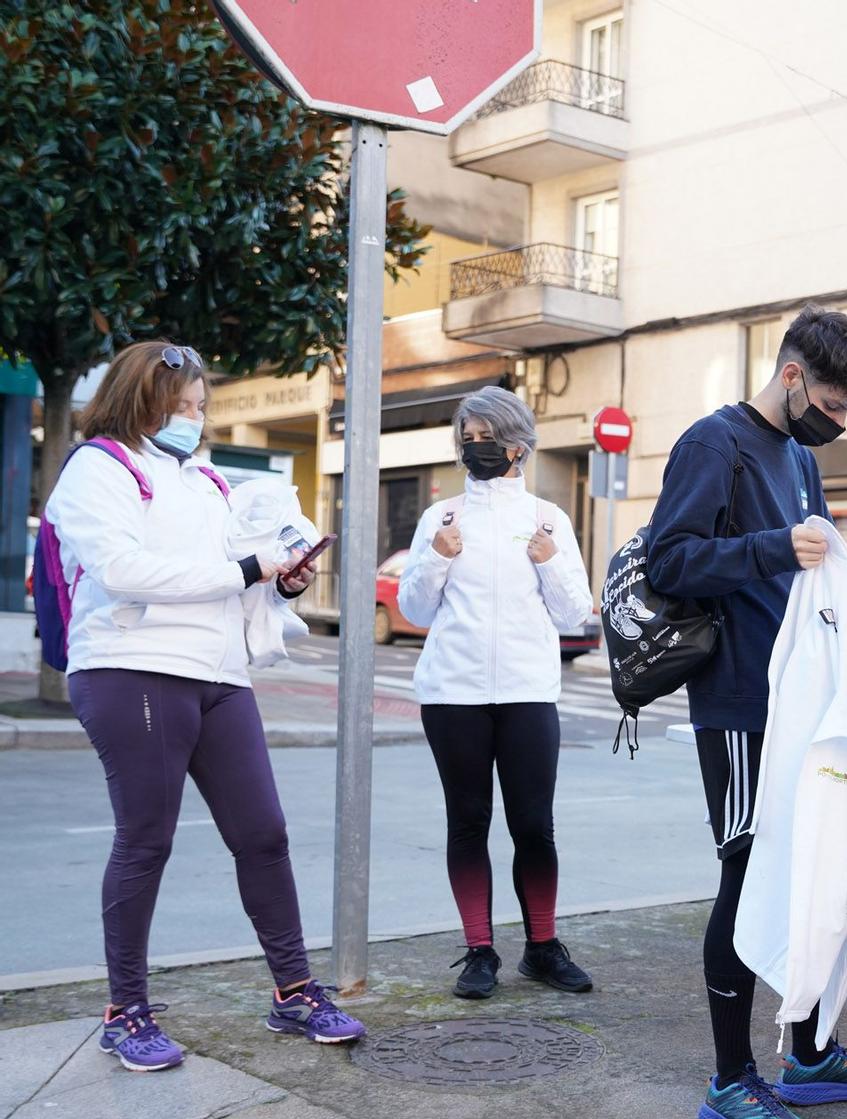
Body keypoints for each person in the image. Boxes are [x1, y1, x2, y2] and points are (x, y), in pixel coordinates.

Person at [645, 305, 847, 1119]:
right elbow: (671, 562)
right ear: (793, 375)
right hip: (739, 706)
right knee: (747, 875)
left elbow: (815, 587)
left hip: (806, 707)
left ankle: (807, 1051)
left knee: (813, 872)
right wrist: (775, 547)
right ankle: (732, 1081)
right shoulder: (715, 443)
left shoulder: (800, 460)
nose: (838, 422)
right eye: (834, 403)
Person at [43, 340, 363, 1071]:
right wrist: (246, 567)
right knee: (146, 839)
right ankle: (126, 1013)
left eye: (200, 407)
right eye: (181, 405)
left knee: (264, 835)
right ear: (140, 400)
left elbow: (231, 577)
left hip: (219, 672)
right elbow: (122, 570)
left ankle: (294, 992)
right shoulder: (99, 467)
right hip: (133, 666)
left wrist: (278, 583)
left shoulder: (207, 481)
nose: (194, 418)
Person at [399, 386, 597, 999]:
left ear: (518, 446)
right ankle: (480, 950)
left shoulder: (548, 519)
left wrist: (549, 560)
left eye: (486, 437)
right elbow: (413, 608)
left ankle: (541, 947)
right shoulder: (442, 518)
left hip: (527, 692)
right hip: (452, 693)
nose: (475, 447)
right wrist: (437, 558)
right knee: (468, 822)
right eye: (468, 436)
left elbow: (574, 615)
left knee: (534, 825)